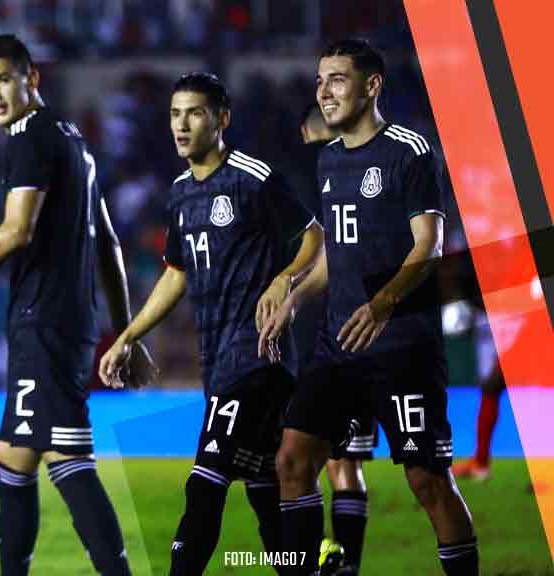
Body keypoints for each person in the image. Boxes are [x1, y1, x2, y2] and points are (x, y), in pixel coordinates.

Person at [261, 39, 478, 575]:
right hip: (338, 346)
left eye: (337, 79)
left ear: (372, 85)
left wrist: (382, 305)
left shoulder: (409, 150)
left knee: (427, 481)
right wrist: (293, 295)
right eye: (319, 81)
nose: (324, 91)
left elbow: (427, 244)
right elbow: (336, 253)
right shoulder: (330, 160)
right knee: (292, 461)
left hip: (402, 345)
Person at [99, 72, 323, 575]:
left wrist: (283, 280)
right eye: (175, 113)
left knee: (206, 482)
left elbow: (313, 239)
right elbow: (175, 275)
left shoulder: (252, 177)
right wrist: (129, 336)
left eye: (194, 113)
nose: (182, 124)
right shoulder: (180, 192)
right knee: (267, 495)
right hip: (220, 361)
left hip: (259, 356)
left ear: (222, 119)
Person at [0, 34, 155, 576]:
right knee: (12, 459)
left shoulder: (30, 139)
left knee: (68, 459)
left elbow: (16, 231)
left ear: (32, 78)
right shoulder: (73, 140)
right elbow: (108, 243)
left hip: (43, 323)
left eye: (4, 79)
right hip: (65, 321)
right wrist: (127, 332)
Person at [299, 104, 374, 573]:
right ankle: (344, 563)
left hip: (329, 338)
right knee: (341, 464)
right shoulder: (353, 176)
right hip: (346, 334)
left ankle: (328, 561)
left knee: (312, 463)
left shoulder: (309, 179)